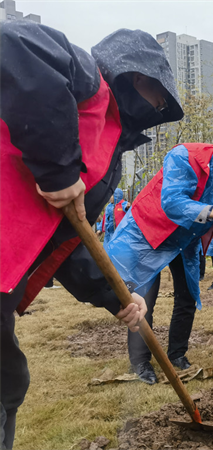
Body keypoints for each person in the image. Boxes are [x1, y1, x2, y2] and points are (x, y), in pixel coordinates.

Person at [0, 21, 183, 449]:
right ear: (139, 76)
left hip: (6, 274)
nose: (158, 108)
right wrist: (59, 169)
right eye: (159, 98)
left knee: (9, 382)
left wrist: (117, 296)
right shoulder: (85, 77)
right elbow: (14, 44)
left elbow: (67, 243)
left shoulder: (111, 149)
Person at [107, 124, 213, 384]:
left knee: (187, 297)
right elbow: (171, 201)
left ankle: (177, 354)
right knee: (143, 298)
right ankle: (140, 361)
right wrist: (212, 210)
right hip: (152, 233)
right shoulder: (185, 156)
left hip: (186, 240)